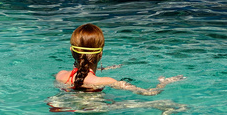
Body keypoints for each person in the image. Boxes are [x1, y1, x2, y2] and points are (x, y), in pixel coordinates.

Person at [55, 24, 184, 95]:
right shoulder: (105, 81)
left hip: (69, 109)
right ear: (100, 54)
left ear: (72, 51)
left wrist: (104, 69)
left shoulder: (61, 76)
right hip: (95, 112)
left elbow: (82, 75)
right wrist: (164, 82)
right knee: (168, 105)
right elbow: (149, 93)